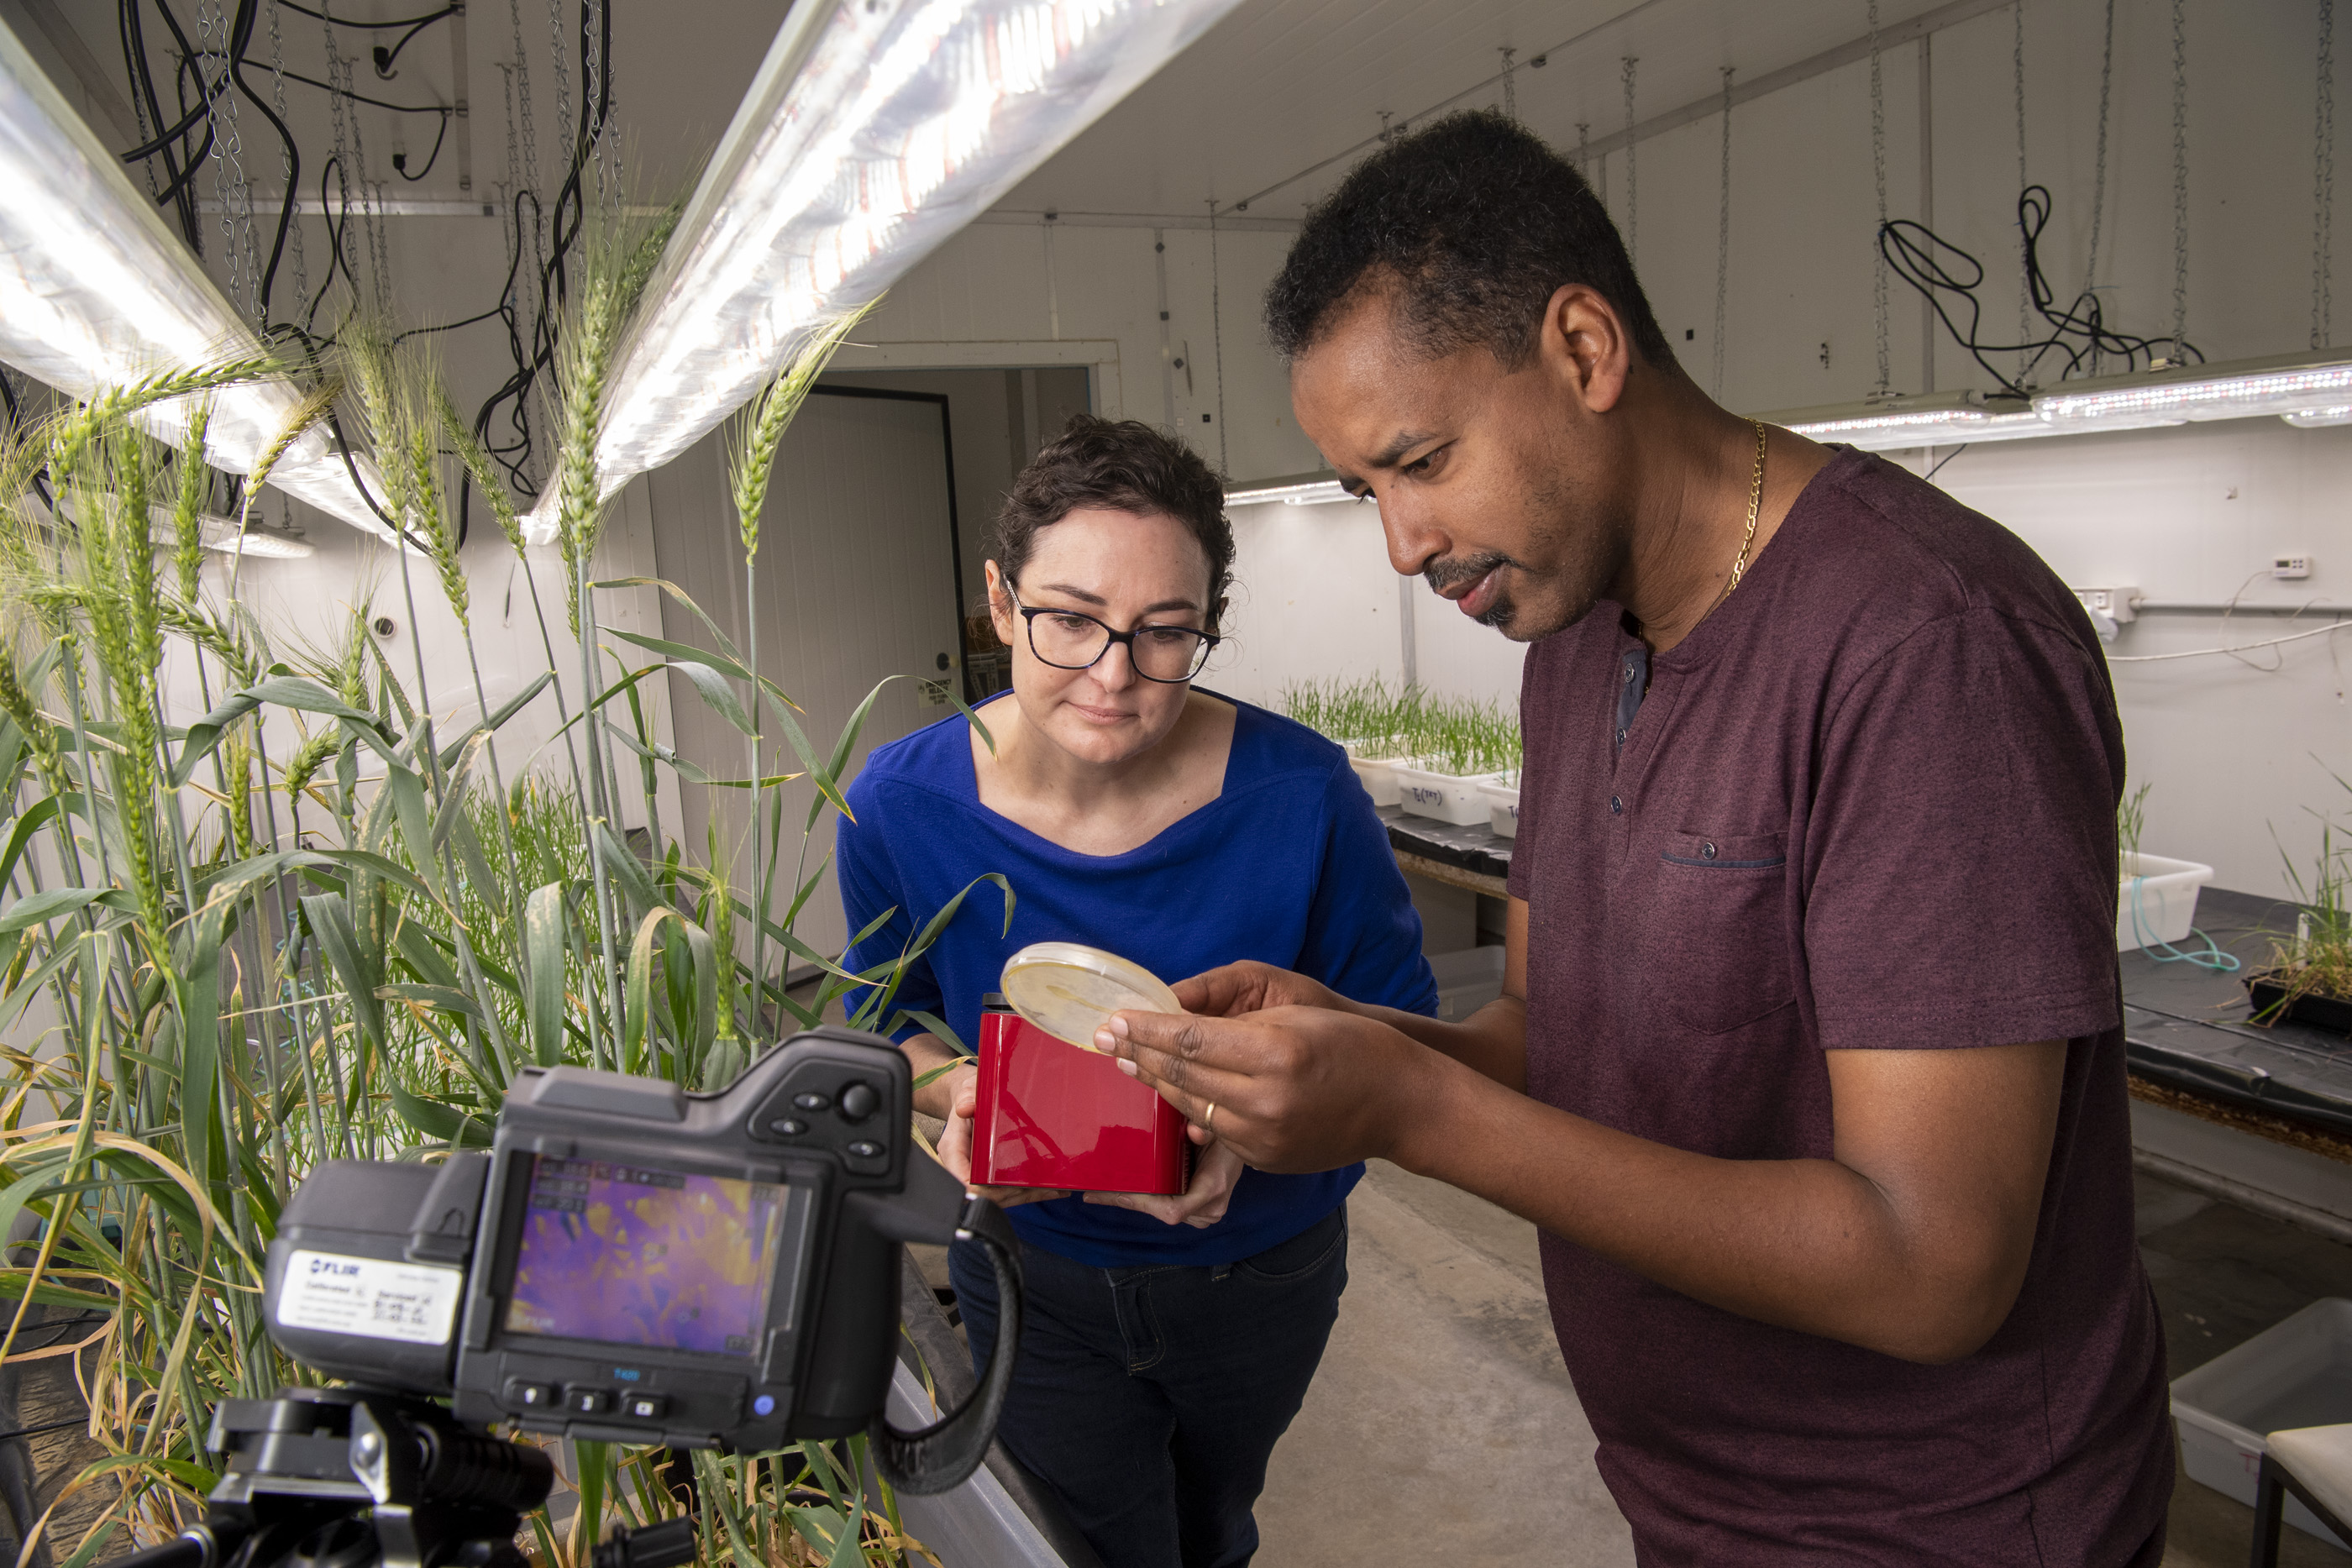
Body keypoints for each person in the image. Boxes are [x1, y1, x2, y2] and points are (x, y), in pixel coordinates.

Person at [1094, 111, 2172, 1563]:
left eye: (1422, 460)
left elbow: (1933, 1268)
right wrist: (1355, 1046)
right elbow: (1555, 1044)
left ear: (1585, 351)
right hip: (1694, 1497)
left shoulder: (1925, 644)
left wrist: (1414, 1119)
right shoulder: (1576, 642)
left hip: (1934, 1524)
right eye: (1368, 492)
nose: (1403, 545)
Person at [834, 415, 1439, 1568]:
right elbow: (887, 1028)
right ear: (1003, 603)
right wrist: (958, 1093)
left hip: (1261, 1268)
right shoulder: (898, 805)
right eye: (1069, 620)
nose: (1114, 675)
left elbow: (1398, 1047)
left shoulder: (1302, 797)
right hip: (1029, 1269)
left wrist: (1253, 1142)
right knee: (1093, 1546)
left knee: (1212, 1527)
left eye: (1166, 634)